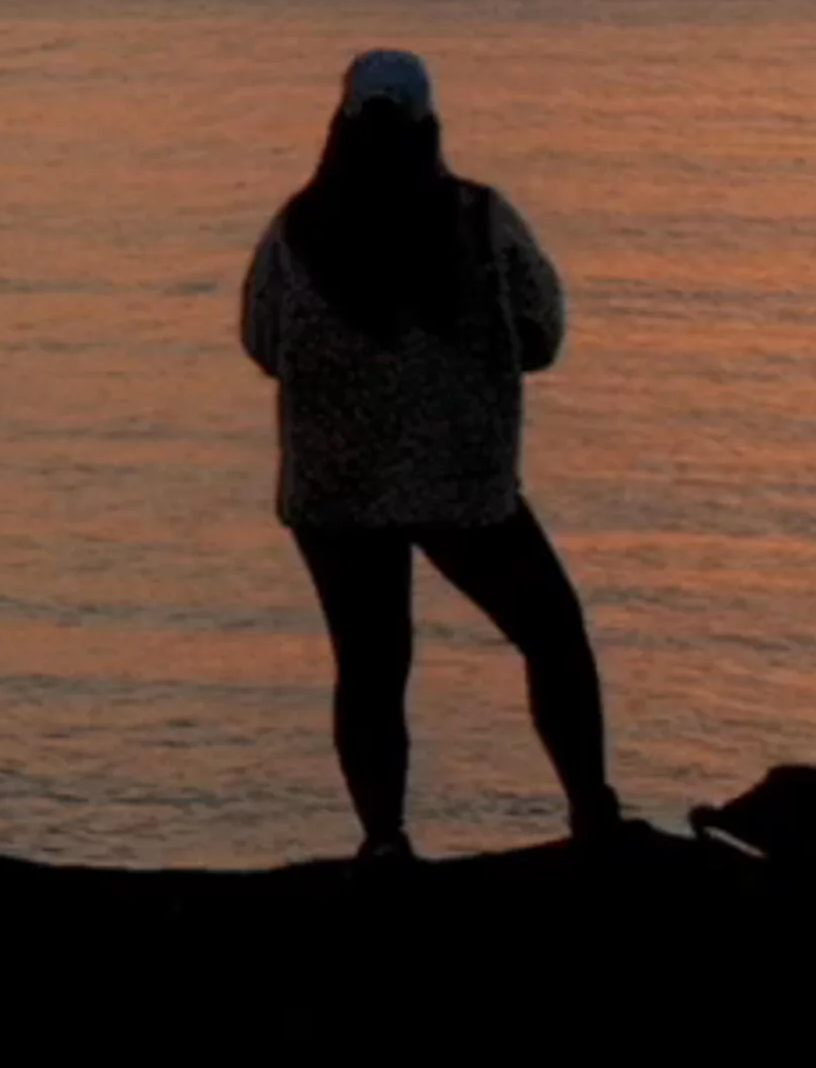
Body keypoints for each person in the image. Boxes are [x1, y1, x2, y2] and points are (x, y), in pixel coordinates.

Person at [239, 49, 619, 859]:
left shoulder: (295, 231)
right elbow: (542, 334)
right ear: (428, 125)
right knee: (553, 635)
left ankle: (383, 842)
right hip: (463, 484)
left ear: (339, 124)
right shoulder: (480, 221)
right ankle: (593, 816)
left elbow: (263, 343)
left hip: (335, 488)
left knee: (371, 667)